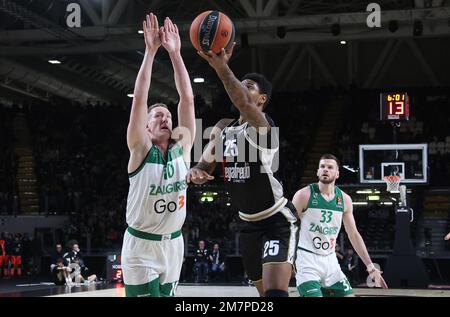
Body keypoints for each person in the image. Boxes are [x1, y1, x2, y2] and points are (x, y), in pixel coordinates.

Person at [187, 45, 299, 297]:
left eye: (249, 86)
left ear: (262, 99)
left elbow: (245, 105)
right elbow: (204, 163)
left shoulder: (264, 126)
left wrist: (222, 68)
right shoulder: (223, 127)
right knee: (262, 296)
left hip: (276, 220)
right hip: (246, 223)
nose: (242, 87)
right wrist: (196, 171)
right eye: (242, 83)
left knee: (275, 294)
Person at [120, 13, 195, 297]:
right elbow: (140, 98)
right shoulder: (139, 149)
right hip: (141, 245)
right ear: (146, 127)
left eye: (167, 116)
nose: (165, 119)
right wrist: (150, 52)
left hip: (173, 244)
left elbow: (187, 99)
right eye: (157, 116)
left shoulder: (182, 149)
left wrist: (175, 54)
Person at [292, 154, 388, 297]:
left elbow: (353, 234)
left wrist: (370, 265)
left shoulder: (344, 200)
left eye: (330, 167)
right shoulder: (303, 195)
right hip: (307, 260)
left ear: (337, 174)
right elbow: (287, 227)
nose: (325, 169)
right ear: (317, 171)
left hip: (331, 261)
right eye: (322, 166)